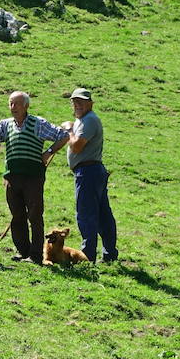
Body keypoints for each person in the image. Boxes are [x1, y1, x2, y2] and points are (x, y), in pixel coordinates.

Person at [0, 91, 70, 262]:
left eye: (16, 104)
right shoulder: (7, 125)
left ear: (26, 106)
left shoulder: (37, 123)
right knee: (17, 215)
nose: (13, 107)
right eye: (10, 103)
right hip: (12, 178)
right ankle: (23, 251)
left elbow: (63, 135)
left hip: (33, 177)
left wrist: (48, 152)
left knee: (34, 215)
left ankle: (36, 255)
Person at [66, 88, 118, 263]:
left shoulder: (89, 121)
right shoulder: (84, 120)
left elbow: (77, 146)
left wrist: (69, 131)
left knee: (86, 215)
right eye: (75, 101)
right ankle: (109, 254)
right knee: (103, 215)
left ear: (90, 103)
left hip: (88, 173)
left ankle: (87, 258)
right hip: (93, 171)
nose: (77, 105)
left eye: (81, 101)